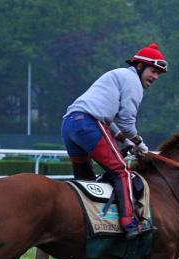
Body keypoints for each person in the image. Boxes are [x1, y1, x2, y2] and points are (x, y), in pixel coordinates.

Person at [61, 43, 167, 240]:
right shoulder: (133, 81)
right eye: (153, 71)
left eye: (158, 74)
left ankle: (83, 222)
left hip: (69, 124)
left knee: (85, 178)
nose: (155, 77)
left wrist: (127, 144)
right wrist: (139, 143)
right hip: (88, 123)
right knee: (121, 172)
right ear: (140, 66)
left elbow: (113, 124)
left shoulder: (119, 75)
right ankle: (130, 224)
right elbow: (126, 123)